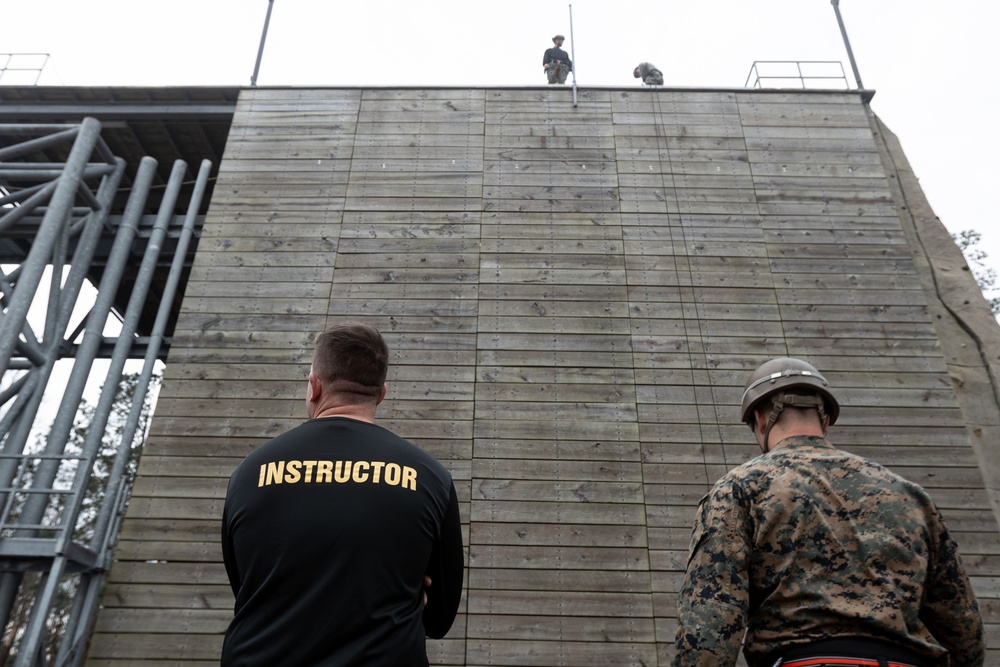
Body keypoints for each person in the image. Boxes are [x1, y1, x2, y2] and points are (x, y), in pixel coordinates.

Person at [673, 357, 985, 667]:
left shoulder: (740, 488)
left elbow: (711, 625)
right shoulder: (910, 495)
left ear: (760, 418)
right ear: (825, 420)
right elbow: (963, 631)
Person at [221, 323, 464, 666]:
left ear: (314, 386)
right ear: (381, 393)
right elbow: (439, 619)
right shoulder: (429, 476)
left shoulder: (250, 472)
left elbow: (245, 588)